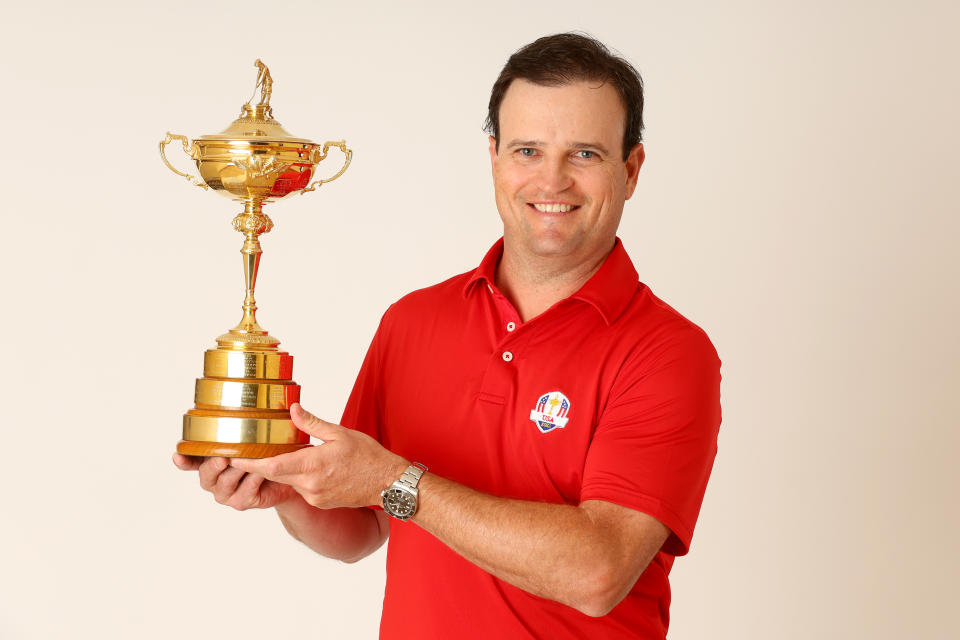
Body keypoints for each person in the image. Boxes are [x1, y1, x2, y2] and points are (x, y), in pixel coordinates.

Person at [174, 32, 721, 639]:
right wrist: (284, 480)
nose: (553, 180)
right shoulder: (413, 321)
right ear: (494, 157)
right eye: (528, 150)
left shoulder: (669, 352)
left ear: (632, 169)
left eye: (585, 154)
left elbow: (599, 570)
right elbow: (359, 531)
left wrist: (393, 479)